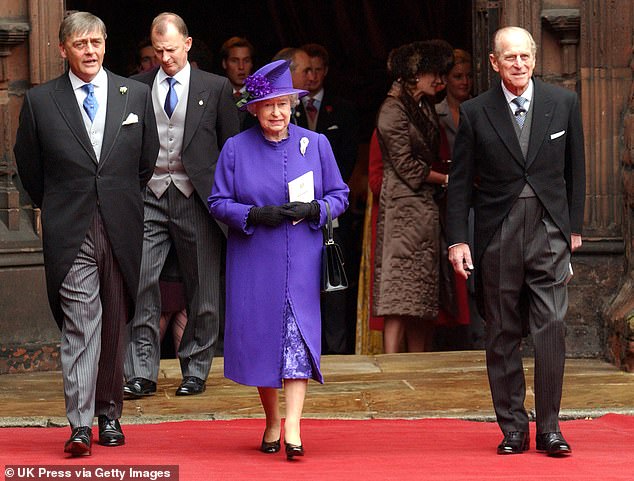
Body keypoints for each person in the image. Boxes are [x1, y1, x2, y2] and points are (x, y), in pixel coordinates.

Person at [13, 12, 158, 456]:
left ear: (105, 43)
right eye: (80, 44)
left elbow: (145, 160)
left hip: (121, 222)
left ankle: (109, 413)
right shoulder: (40, 101)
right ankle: (79, 424)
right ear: (63, 50)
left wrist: (115, 197)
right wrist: (58, 204)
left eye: (96, 41)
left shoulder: (134, 94)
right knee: (81, 323)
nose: (91, 50)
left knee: (115, 320)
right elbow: (29, 169)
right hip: (69, 226)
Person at [446, 26, 585, 456]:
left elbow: (576, 170)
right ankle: (512, 427)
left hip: (549, 229)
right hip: (497, 230)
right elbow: (460, 183)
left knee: (551, 327)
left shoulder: (563, 102)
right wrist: (457, 240)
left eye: (525, 57)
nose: (519, 65)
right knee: (502, 330)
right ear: (494, 62)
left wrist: (574, 229)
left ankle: (549, 428)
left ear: (534, 59)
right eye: (510, 58)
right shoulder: (474, 111)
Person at [208, 59, 349, 460]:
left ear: (293, 105)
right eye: (268, 105)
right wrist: (251, 215)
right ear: (254, 108)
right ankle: (272, 419)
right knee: (262, 343)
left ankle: (293, 427)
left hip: (302, 259)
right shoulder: (236, 148)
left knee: (296, 342)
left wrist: (316, 210)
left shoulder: (316, 144)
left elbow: (340, 195)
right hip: (254, 260)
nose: (277, 112)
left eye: (283, 104)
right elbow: (217, 201)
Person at [123, 12, 240, 399]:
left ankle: (196, 368)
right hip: (150, 196)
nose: (165, 58)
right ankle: (142, 371)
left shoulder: (217, 87)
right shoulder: (136, 88)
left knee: (203, 289)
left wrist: (228, 200)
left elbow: (231, 149)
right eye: (157, 51)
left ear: (187, 44)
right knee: (141, 284)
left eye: (171, 50)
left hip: (196, 198)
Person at [373, 41, 452, 353]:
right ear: (413, 75)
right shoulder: (392, 110)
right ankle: (391, 363)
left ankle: (418, 362)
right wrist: (446, 178)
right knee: (397, 289)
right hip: (402, 209)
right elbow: (406, 165)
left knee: (421, 289)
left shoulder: (423, 107)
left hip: (424, 209)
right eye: (433, 73)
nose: (439, 80)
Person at [294, 43, 360, 354]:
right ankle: (304, 348)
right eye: (306, 70)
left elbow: (347, 159)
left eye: (318, 69)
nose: (312, 76)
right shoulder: (286, 109)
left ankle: (337, 351)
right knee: (300, 282)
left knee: (335, 282)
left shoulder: (343, 108)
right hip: (294, 210)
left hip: (331, 208)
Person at [433, 49, 474, 350]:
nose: (465, 82)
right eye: (458, 76)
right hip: (447, 195)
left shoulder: (482, 109)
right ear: (445, 79)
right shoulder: (435, 114)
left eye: (469, 76)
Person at [220, 36, 255, 131]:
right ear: (224, 63)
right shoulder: (216, 95)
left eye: (246, 61)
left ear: (251, 63)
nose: (241, 67)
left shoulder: (259, 96)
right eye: (234, 61)